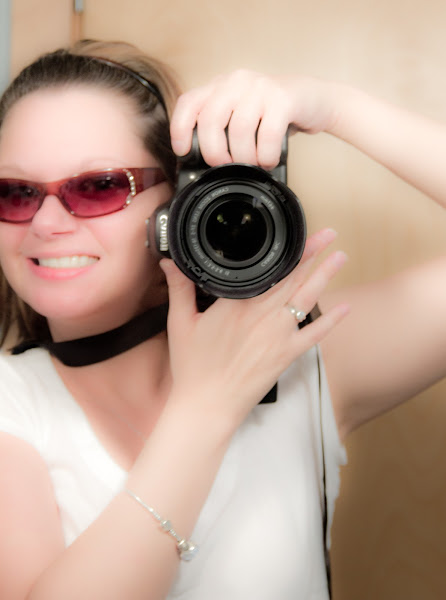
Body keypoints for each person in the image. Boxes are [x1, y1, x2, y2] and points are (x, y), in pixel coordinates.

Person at [0, 39, 444, 600]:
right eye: (15, 193)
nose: (45, 223)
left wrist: (335, 107)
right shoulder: (12, 402)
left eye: (98, 187)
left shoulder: (296, 358)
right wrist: (205, 408)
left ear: (175, 207)